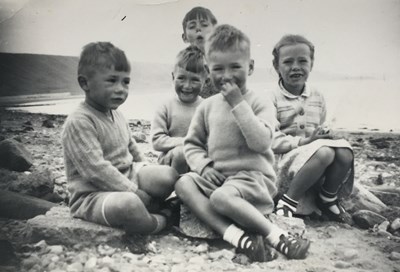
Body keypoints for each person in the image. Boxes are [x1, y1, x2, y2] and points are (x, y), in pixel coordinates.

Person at [175, 25, 310, 262]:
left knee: (219, 198)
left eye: (235, 67)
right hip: (223, 181)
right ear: (208, 70)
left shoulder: (259, 102)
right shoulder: (207, 106)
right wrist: (204, 166)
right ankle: (237, 237)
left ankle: (278, 236)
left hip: (253, 180)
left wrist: (238, 104)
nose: (226, 75)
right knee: (184, 183)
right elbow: (192, 145)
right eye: (218, 68)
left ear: (250, 67)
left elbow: (261, 143)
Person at [62, 42, 179, 235]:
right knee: (130, 205)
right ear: (85, 83)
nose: (121, 89)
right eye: (112, 81)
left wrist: (149, 171)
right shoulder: (79, 121)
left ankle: (153, 206)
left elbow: (131, 147)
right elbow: (96, 170)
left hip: (127, 175)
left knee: (168, 176)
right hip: (93, 194)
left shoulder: (116, 114)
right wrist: (135, 192)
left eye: (125, 82)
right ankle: (161, 220)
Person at [270, 35, 354, 224]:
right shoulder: (272, 98)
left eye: (302, 61)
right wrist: (305, 142)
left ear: (311, 64)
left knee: (345, 151)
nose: (296, 67)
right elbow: (270, 139)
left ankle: (328, 197)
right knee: (324, 153)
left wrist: (326, 134)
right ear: (276, 66)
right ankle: (288, 201)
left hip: (312, 158)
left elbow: (320, 125)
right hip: (285, 159)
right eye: (288, 61)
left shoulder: (317, 95)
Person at [151, 45, 207, 174]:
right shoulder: (165, 106)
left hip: (198, 160)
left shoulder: (206, 107)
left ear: (205, 81)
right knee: (182, 153)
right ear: (173, 77)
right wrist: (186, 142)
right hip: (171, 162)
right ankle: (176, 188)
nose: (187, 86)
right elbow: (157, 141)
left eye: (195, 80)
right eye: (181, 78)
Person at [181, 6, 218, 98]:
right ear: (184, 37)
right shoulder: (183, 64)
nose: (198, 29)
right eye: (192, 26)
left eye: (204, 25)